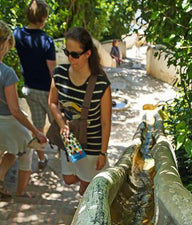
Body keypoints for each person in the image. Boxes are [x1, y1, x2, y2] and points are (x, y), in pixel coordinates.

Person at [48, 27, 112, 195]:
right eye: (67, 52)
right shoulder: (59, 74)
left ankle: (82, 209)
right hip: (70, 139)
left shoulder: (100, 83)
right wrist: (62, 124)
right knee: (69, 179)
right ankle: (88, 181)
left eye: (75, 54)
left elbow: (106, 122)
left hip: (92, 142)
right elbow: (52, 102)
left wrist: (102, 153)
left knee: (86, 183)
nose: (70, 58)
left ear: (88, 53)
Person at [0, 20, 46, 198]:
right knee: (27, 145)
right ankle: (19, 192)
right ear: (4, 44)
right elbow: (15, 110)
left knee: (13, 146)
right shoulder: (7, 73)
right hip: (7, 122)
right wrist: (35, 131)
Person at [14, 0, 56, 170]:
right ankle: (66, 155)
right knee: (58, 123)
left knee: (38, 124)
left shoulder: (18, 34)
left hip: (29, 89)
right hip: (46, 90)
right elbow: (52, 72)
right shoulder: (47, 41)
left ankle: (41, 158)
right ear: (44, 18)